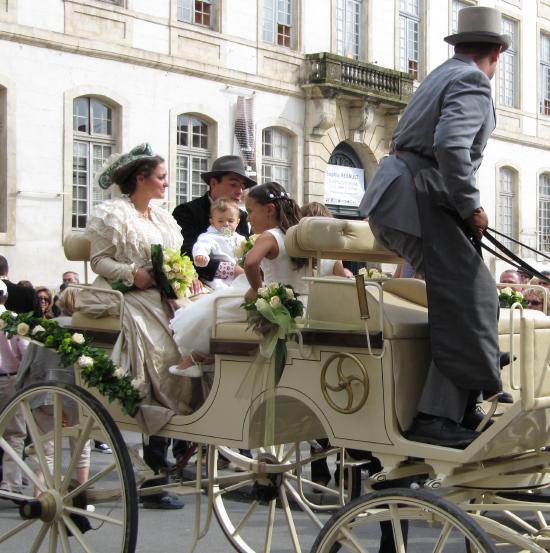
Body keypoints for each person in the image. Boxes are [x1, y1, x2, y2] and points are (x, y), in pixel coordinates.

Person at [359, 6, 509, 448]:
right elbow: (450, 145)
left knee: (467, 293)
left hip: (403, 195)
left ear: (460, 45)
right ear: (497, 53)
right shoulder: (472, 79)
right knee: (472, 294)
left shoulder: (442, 74)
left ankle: (462, 396)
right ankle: (438, 413)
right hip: (419, 197)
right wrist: (471, 207)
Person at [76, 143, 197, 509]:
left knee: (202, 325)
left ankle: (186, 423)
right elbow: (99, 261)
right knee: (164, 349)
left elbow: (176, 259)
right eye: (161, 177)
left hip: (167, 294)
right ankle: (158, 439)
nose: (166, 183)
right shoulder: (112, 214)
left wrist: (185, 276)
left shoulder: (161, 219)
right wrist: (134, 274)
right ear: (141, 179)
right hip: (132, 295)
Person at [169, 182, 307, 377]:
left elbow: (250, 263)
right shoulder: (295, 234)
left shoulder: (269, 236)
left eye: (250, 212)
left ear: (269, 210)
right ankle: (202, 359)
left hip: (269, 298)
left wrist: (258, 289)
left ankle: (194, 359)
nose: (248, 218)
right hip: (297, 300)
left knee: (208, 312)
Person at [172, 155, 254, 288]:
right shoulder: (186, 212)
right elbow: (186, 254)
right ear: (214, 183)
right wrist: (231, 270)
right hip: (202, 285)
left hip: (240, 283)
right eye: (233, 184)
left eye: (242, 186)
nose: (240, 192)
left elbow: (246, 253)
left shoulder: (243, 216)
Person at [0, 280, 28, 497]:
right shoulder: (13, 321)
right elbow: (25, 353)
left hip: (8, 377)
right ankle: (11, 483)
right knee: (14, 433)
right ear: (6, 297)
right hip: (10, 379)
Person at [192, 198, 246, 289]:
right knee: (221, 289)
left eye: (230, 221)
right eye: (220, 221)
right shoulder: (209, 236)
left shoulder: (240, 238)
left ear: (238, 221)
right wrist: (201, 255)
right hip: (219, 277)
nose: (226, 224)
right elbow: (201, 246)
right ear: (212, 222)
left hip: (239, 275)